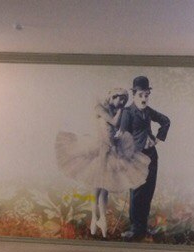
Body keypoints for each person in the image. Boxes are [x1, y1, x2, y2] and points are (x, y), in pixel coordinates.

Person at [55, 88, 150, 237]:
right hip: (99, 148)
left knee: (105, 185)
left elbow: (117, 128)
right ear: (112, 97)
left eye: (124, 100)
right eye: (120, 99)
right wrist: (121, 110)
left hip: (111, 147)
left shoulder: (116, 110)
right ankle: (94, 217)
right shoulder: (100, 108)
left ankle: (103, 219)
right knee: (97, 185)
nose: (122, 102)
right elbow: (114, 122)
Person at [118, 76, 171, 240]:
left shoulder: (148, 111)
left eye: (146, 95)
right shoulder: (127, 112)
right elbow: (123, 136)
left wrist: (158, 138)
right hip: (136, 157)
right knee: (136, 193)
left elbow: (165, 121)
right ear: (134, 95)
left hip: (151, 156)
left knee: (148, 192)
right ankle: (135, 229)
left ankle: (143, 228)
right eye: (140, 95)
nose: (144, 99)